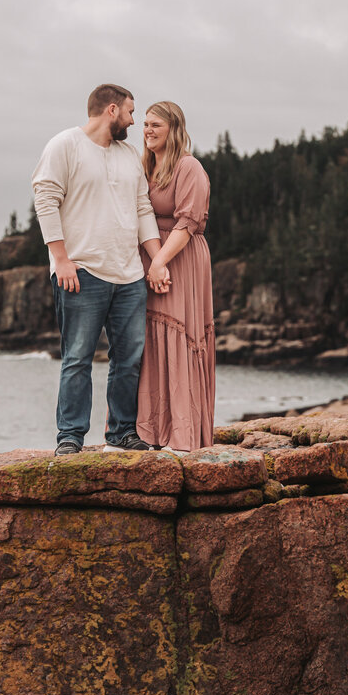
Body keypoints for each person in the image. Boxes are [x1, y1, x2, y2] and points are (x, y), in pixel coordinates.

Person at [31, 84, 167, 455]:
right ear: (111, 110)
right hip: (81, 272)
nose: (134, 120)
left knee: (129, 360)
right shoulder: (64, 145)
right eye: (130, 112)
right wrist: (60, 259)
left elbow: (143, 210)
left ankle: (122, 432)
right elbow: (45, 198)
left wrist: (155, 261)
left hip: (130, 277)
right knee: (77, 358)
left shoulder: (128, 156)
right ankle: (70, 437)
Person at [136, 101, 215, 452]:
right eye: (145, 124)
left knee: (178, 334)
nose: (148, 130)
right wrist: (152, 261)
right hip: (152, 257)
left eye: (156, 125)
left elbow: (188, 223)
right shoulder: (145, 165)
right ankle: (147, 432)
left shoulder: (189, 167)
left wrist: (160, 263)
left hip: (180, 258)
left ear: (174, 128)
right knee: (149, 341)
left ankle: (182, 436)